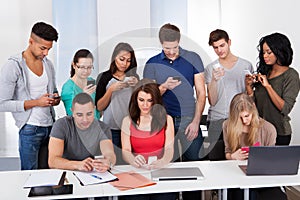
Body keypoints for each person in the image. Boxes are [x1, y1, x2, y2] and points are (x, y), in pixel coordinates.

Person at [143, 23, 205, 200]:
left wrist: (196, 122)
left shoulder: (193, 58)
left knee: (194, 167)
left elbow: (201, 93)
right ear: (161, 43)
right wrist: (163, 87)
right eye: (167, 48)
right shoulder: (152, 63)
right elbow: (147, 96)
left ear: (179, 41)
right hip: (163, 122)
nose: (171, 51)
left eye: (175, 47)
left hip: (189, 120)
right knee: (166, 167)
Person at [0, 22, 59, 170]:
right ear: (31, 41)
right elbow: (2, 103)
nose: (46, 53)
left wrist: (55, 98)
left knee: (50, 176)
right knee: (30, 178)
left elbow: (53, 89)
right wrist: (37, 102)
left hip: (50, 127)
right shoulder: (13, 66)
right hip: (30, 129)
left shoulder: (48, 64)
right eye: (43, 48)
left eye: (49, 49)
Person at [223, 93, 287, 200]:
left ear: (253, 109)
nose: (244, 121)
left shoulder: (268, 129)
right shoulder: (227, 125)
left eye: (247, 116)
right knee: (242, 194)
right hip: (236, 175)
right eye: (240, 118)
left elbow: (271, 160)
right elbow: (227, 152)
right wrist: (233, 156)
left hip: (262, 176)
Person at [120, 78, 176, 200]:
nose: (145, 105)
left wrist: (163, 161)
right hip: (137, 172)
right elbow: (126, 150)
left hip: (159, 171)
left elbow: (169, 148)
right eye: (141, 100)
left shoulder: (167, 120)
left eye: (149, 101)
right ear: (135, 100)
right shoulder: (127, 121)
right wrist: (133, 159)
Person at [204, 29, 253, 159]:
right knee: (216, 159)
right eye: (215, 47)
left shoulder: (246, 65)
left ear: (229, 42)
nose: (219, 50)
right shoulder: (211, 68)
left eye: (222, 45)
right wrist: (214, 80)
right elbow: (212, 101)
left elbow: (250, 98)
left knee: (240, 159)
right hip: (216, 120)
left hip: (239, 120)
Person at [246, 32, 300, 145]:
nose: (265, 56)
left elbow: (285, 108)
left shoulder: (291, 75)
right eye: (263, 52)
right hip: (259, 131)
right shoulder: (265, 73)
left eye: (269, 52)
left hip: (280, 132)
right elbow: (254, 106)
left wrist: (268, 86)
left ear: (279, 51)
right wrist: (249, 87)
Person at [48, 93, 116, 172]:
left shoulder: (103, 128)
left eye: (89, 114)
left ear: (94, 109)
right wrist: (78, 164)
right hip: (65, 172)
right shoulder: (61, 125)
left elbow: (109, 154)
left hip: (90, 173)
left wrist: (108, 162)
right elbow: (52, 161)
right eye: (79, 115)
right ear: (72, 112)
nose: (85, 120)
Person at [95, 42, 139, 164]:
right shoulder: (104, 77)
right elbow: (99, 107)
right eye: (122, 59)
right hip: (111, 128)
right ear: (114, 57)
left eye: (129, 61)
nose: (125, 64)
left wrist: (136, 86)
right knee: (113, 163)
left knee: (130, 163)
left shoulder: (134, 77)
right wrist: (111, 89)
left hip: (130, 128)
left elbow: (139, 103)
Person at [61, 49, 100, 119]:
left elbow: (97, 110)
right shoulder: (68, 87)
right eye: (82, 67)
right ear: (74, 65)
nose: (86, 71)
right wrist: (83, 96)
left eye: (89, 67)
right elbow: (71, 115)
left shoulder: (91, 81)